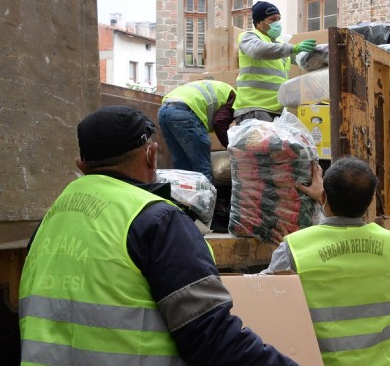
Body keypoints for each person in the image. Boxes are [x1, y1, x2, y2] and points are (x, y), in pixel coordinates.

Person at [19, 105, 297, 366]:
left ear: (81, 165)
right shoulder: (156, 220)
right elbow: (211, 338)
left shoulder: (51, 220)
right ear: (151, 155)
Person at [264, 157, 390, 366]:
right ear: (370, 200)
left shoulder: (296, 248)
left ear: (324, 196)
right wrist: (326, 199)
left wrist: (288, 249)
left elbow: (262, 300)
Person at [233, 0, 317, 124]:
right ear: (259, 23)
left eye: (279, 19)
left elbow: (303, 60)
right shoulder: (248, 37)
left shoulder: (279, 46)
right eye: (272, 19)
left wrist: (323, 55)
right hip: (255, 108)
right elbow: (258, 50)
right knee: (263, 144)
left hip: (276, 110)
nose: (277, 23)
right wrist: (294, 48)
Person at [158, 79, 235, 182]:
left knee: (182, 166)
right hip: (185, 111)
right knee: (201, 168)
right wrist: (231, 148)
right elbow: (219, 122)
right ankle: (206, 197)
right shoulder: (236, 99)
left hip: (164, 112)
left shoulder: (222, 88)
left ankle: (185, 197)